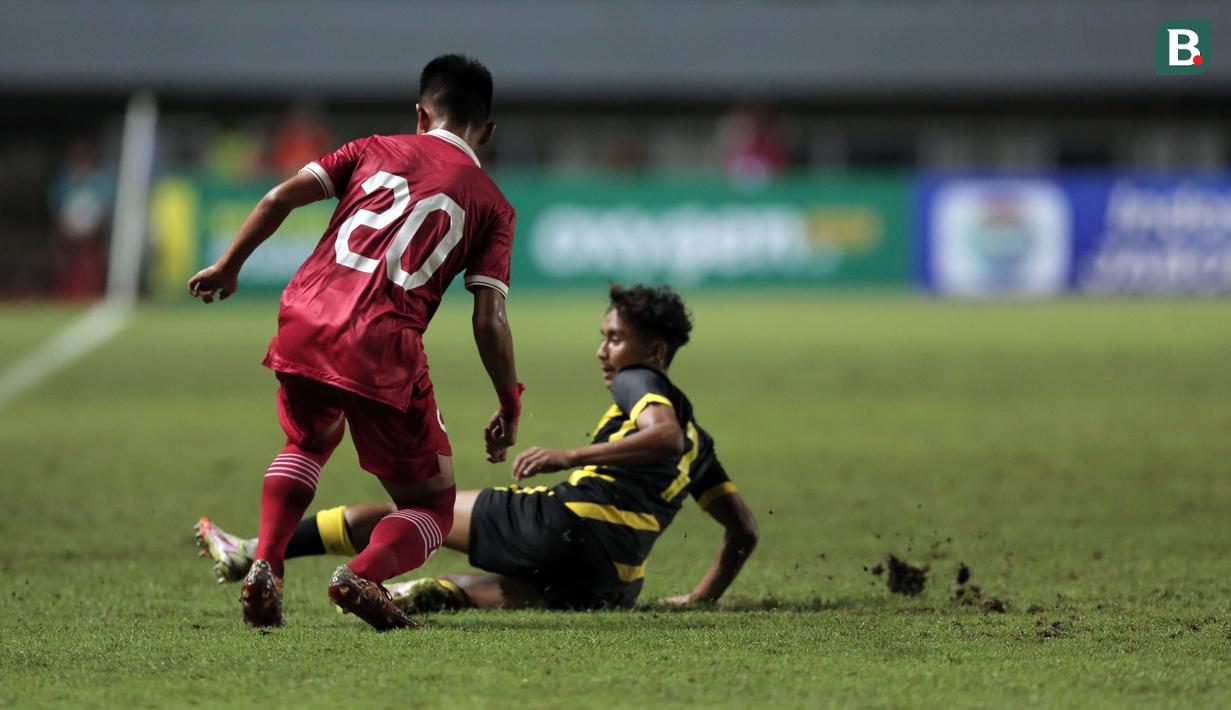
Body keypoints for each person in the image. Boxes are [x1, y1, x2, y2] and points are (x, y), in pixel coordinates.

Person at [187, 54, 522, 630]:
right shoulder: (493, 205)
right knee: (430, 507)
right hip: (383, 344)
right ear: (487, 132)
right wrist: (509, 402)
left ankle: (267, 563)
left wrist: (228, 266)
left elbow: (277, 198)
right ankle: (361, 576)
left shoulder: (371, 148)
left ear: (421, 114)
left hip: (306, 317)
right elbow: (489, 319)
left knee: (308, 439)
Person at [196, 285, 758, 610]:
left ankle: (254, 551)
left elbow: (663, 435)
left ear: (654, 351)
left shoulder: (641, 381)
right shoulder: (703, 447)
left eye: (614, 339)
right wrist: (701, 598)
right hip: (614, 581)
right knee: (509, 588)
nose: (602, 352)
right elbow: (744, 531)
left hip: (563, 524)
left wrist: (569, 457)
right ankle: (429, 591)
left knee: (417, 514)